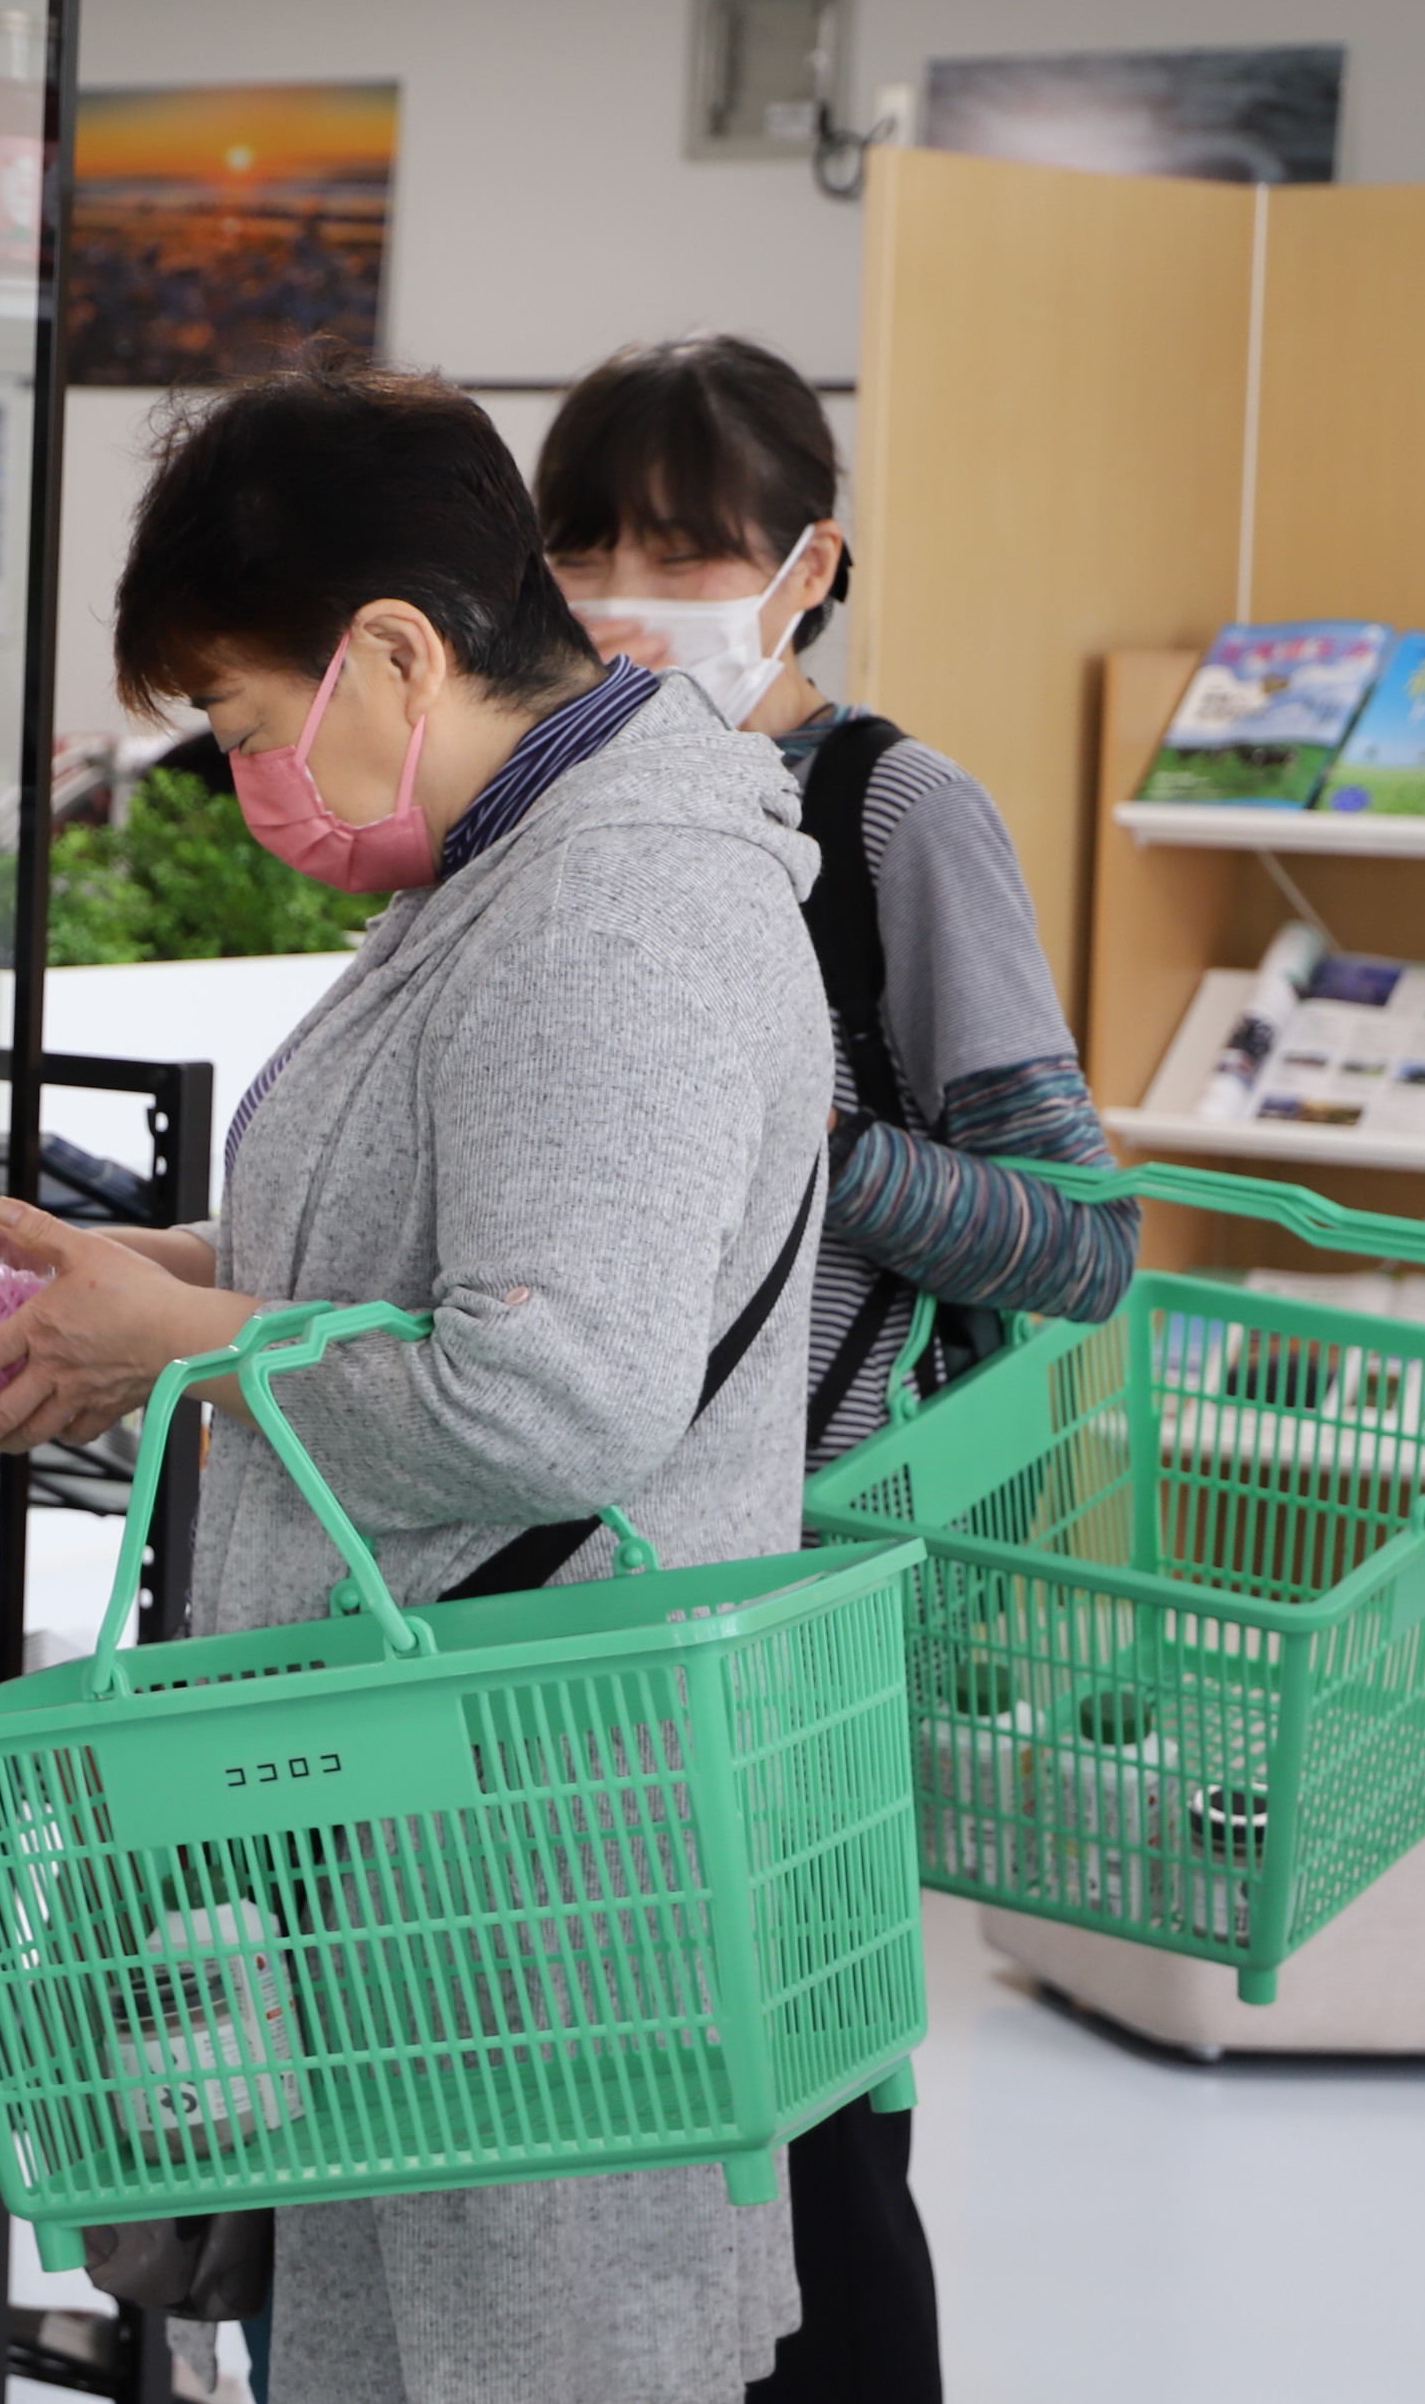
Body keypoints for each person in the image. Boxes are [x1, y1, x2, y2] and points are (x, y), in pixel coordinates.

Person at [0, 362, 833, 2404]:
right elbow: (454, 1256)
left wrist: (194, 1347)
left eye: (243, 722)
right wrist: (155, 1285)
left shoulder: (620, 907)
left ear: (395, 653)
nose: (245, 779)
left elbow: (561, 1388)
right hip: (431, 1844)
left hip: (546, 1865)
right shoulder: (515, 866)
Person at [536, 332, 1141, 2404]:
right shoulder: (554, 805)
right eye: (586, 543)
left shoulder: (895, 815)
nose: (629, 592)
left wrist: (818, 1150)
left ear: (808, 567)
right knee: (597, 2132)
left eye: (687, 549)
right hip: (579, 1581)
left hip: (809, 1582)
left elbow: (1080, 1240)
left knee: (807, 2136)